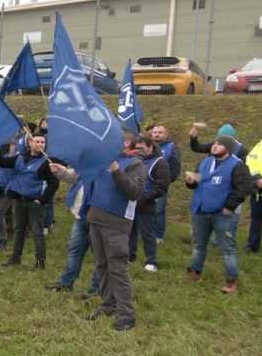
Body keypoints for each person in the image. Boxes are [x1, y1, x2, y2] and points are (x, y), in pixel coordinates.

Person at [86, 135, 146, 331]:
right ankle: (107, 305)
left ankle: (127, 315)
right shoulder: (104, 159)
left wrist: (116, 171)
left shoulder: (135, 164)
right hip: (95, 219)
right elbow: (86, 177)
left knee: (118, 269)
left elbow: (134, 192)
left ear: (127, 142)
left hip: (116, 224)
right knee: (101, 265)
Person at [186, 135, 254, 294]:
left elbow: (244, 188)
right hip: (200, 211)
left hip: (221, 214)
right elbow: (197, 182)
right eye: (214, 143)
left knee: (228, 249)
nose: (214, 146)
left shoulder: (237, 165)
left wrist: (229, 207)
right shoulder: (205, 162)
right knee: (198, 245)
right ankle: (195, 273)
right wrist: (190, 182)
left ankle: (231, 282)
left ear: (228, 148)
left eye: (219, 144)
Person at [0, 132, 59, 270]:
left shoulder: (46, 163)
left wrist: (42, 199)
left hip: (35, 202)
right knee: (19, 230)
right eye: (37, 141)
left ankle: (40, 262)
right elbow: (1, 162)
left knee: (36, 232)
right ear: (30, 143)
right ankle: (15, 258)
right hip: (19, 200)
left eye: (43, 142)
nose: (40, 144)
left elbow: (54, 183)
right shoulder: (19, 158)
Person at [44, 166, 101, 297]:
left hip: (98, 218)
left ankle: (97, 288)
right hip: (80, 216)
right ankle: (66, 282)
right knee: (75, 250)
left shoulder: (109, 164)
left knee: (99, 255)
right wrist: (60, 171)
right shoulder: (88, 162)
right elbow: (73, 176)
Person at [129, 135, 170, 272]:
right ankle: (130, 256)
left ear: (150, 146)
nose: (138, 151)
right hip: (130, 201)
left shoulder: (160, 162)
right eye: (136, 148)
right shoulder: (135, 160)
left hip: (146, 203)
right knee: (130, 231)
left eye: (141, 148)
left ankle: (151, 261)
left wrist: (144, 198)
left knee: (147, 233)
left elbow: (161, 188)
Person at [148, 125, 182, 242]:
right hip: (145, 184)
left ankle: (158, 236)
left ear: (166, 135)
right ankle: (145, 233)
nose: (157, 134)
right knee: (144, 210)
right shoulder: (146, 146)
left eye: (160, 132)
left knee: (158, 210)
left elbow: (175, 167)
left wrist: (166, 182)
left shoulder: (171, 147)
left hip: (160, 185)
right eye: (155, 132)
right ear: (151, 134)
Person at [248, 170, 262, 254]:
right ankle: (253, 246)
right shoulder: (247, 156)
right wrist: (258, 180)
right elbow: (248, 167)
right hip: (258, 190)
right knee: (256, 219)